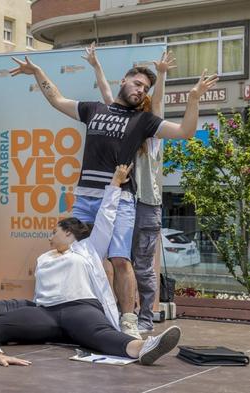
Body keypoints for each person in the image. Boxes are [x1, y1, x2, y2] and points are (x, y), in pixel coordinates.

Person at [10, 53, 218, 338]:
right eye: (137, 83)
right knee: (66, 250)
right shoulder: (94, 109)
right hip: (85, 197)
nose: (140, 90)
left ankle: (129, 320)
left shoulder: (143, 121)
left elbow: (185, 131)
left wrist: (193, 98)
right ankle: (65, 311)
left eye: (145, 88)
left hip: (121, 199)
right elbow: (57, 100)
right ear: (124, 81)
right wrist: (37, 71)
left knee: (120, 260)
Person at [0, 165, 181, 366]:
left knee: (102, 334)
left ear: (67, 232)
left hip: (81, 308)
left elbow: (106, 218)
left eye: (54, 232)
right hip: (45, 312)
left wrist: (115, 182)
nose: (50, 238)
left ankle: (144, 347)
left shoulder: (89, 248)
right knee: (0, 325)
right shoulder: (45, 257)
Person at [84, 43, 174, 333]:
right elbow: (108, 96)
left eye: (145, 96)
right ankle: (123, 311)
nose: (142, 102)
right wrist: (96, 66)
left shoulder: (150, 131)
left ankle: (144, 317)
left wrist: (160, 76)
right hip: (123, 197)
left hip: (147, 203)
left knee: (142, 265)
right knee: (118, 257)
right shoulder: (125, 124)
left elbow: (157, 107)